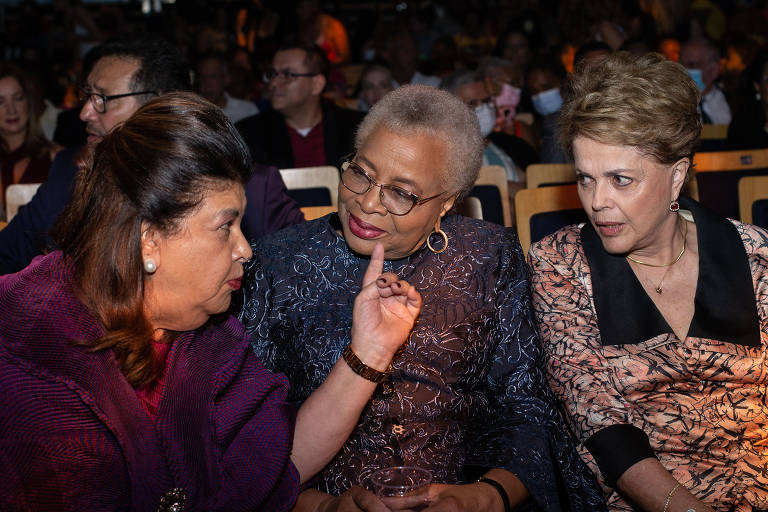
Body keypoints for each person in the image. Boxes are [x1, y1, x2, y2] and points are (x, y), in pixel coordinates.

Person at [0, 92, 421, 511]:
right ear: (149, 240)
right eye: (226, 226)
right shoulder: (32, 360)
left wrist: (371, 350)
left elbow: (273, 463)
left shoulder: (204, 337)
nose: (246, 250)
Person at [239, 85, 606, 512]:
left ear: (447, 202)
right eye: (361, 172)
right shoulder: (276, 264)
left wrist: (488, 496)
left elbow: (527, 405)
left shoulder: (487, 257)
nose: (368, 203)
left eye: (402, 193)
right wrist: (319, 506)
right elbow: (248, 436)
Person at [529, 51, 768, 511]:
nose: (597, 201)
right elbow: (600, 423)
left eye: (621, 179)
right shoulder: (560, 263)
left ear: (677, 175)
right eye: (585, 178)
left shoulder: (756, 256)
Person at [0, 36, 302, 275]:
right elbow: (7, 255)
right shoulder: (70, 170)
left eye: (102, 99)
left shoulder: (250, 188)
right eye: (87, 95)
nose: (85, 112)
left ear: (161, 107)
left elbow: (305, 270)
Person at [236, 43, 363, 169]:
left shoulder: (357, 130)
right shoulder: (248, 134)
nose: (273, 83)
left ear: (316, 84)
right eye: (272, 74)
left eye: (288, 75)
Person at [0, 63, 61, 221]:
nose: (11, 109)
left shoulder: (57, 158)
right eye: (1, 102)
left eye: (18, 98)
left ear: (29, 102)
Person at [679, 37, 731, 125]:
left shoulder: (735, 104)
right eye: (680, 64)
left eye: (692, 64)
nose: (683, 70)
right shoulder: (671, 105)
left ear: (714, 70)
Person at [195, 52, 259, 124]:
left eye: (213, 77)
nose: (206, 83)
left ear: (226, 79)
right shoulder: (191, 111)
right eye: (202, 77)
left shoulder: (247, 110)